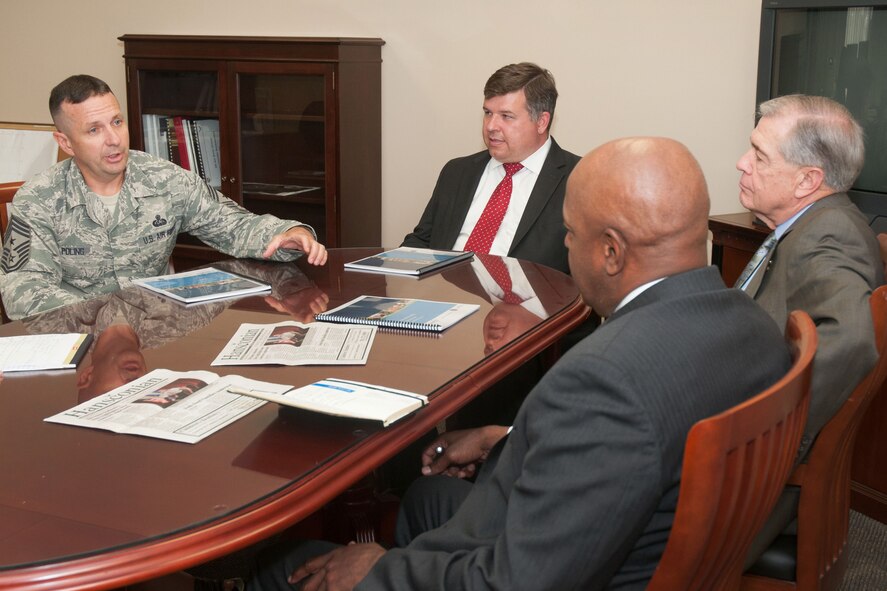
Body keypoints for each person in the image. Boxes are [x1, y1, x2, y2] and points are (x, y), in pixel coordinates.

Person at [247, 137, 793, 590]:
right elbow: (632, 445)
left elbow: (514, 581)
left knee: (280, 568)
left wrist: (379, 570)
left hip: (572, 570)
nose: (567, 246)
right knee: (428, 497)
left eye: (570, 233)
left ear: (611, 252)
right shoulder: (755, 327)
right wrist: (504, 438)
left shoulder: (603, 377)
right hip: (642, 541)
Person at [0, 74, 328, 320]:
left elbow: (232, 224)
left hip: (155, 331)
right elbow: (23, 292)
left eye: (117, 122)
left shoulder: (163, 179)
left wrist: (287, 234)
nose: (114, 139)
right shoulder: (38, 200)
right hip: (78, 339)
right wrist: (107, 319)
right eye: (94, 130)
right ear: (65, 143)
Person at [734, 94, 883, 567]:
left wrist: (764, 442)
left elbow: (852, 339)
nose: (742, 163)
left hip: (752, 485)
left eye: (759, 156)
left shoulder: (828, 235)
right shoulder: (810, 223)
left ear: (807, 180)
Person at [401, 62, 579, 275]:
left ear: (541, 121)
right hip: (445, 290)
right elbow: (422, 242)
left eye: (506, 116)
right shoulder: (457, 172)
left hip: (529, 295)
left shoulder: (580, 180)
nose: (491, 126)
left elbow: (591, 273)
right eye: (488, 113)